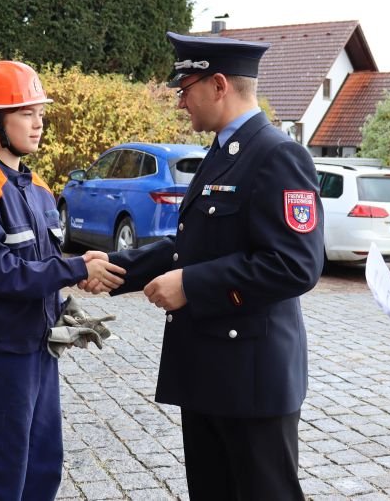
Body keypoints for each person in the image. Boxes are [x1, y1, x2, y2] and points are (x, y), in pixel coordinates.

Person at [99, 32, 325, 500]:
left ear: (219, 85)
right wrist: (115, 268)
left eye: (186, 90)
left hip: (252, 380)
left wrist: (192, 286)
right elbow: (191, 247)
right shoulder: (221, 154)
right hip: (211, 372)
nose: (181, 103)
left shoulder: (277, 154)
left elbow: (295, 266)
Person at [0, 60, 125, 500]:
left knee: (42, 468)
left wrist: (62, 303)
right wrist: (76, 270)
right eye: (25, 113)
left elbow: (40, 263)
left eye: (40, 112)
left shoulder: (36, 186)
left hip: (38, 351)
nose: (39, 123)